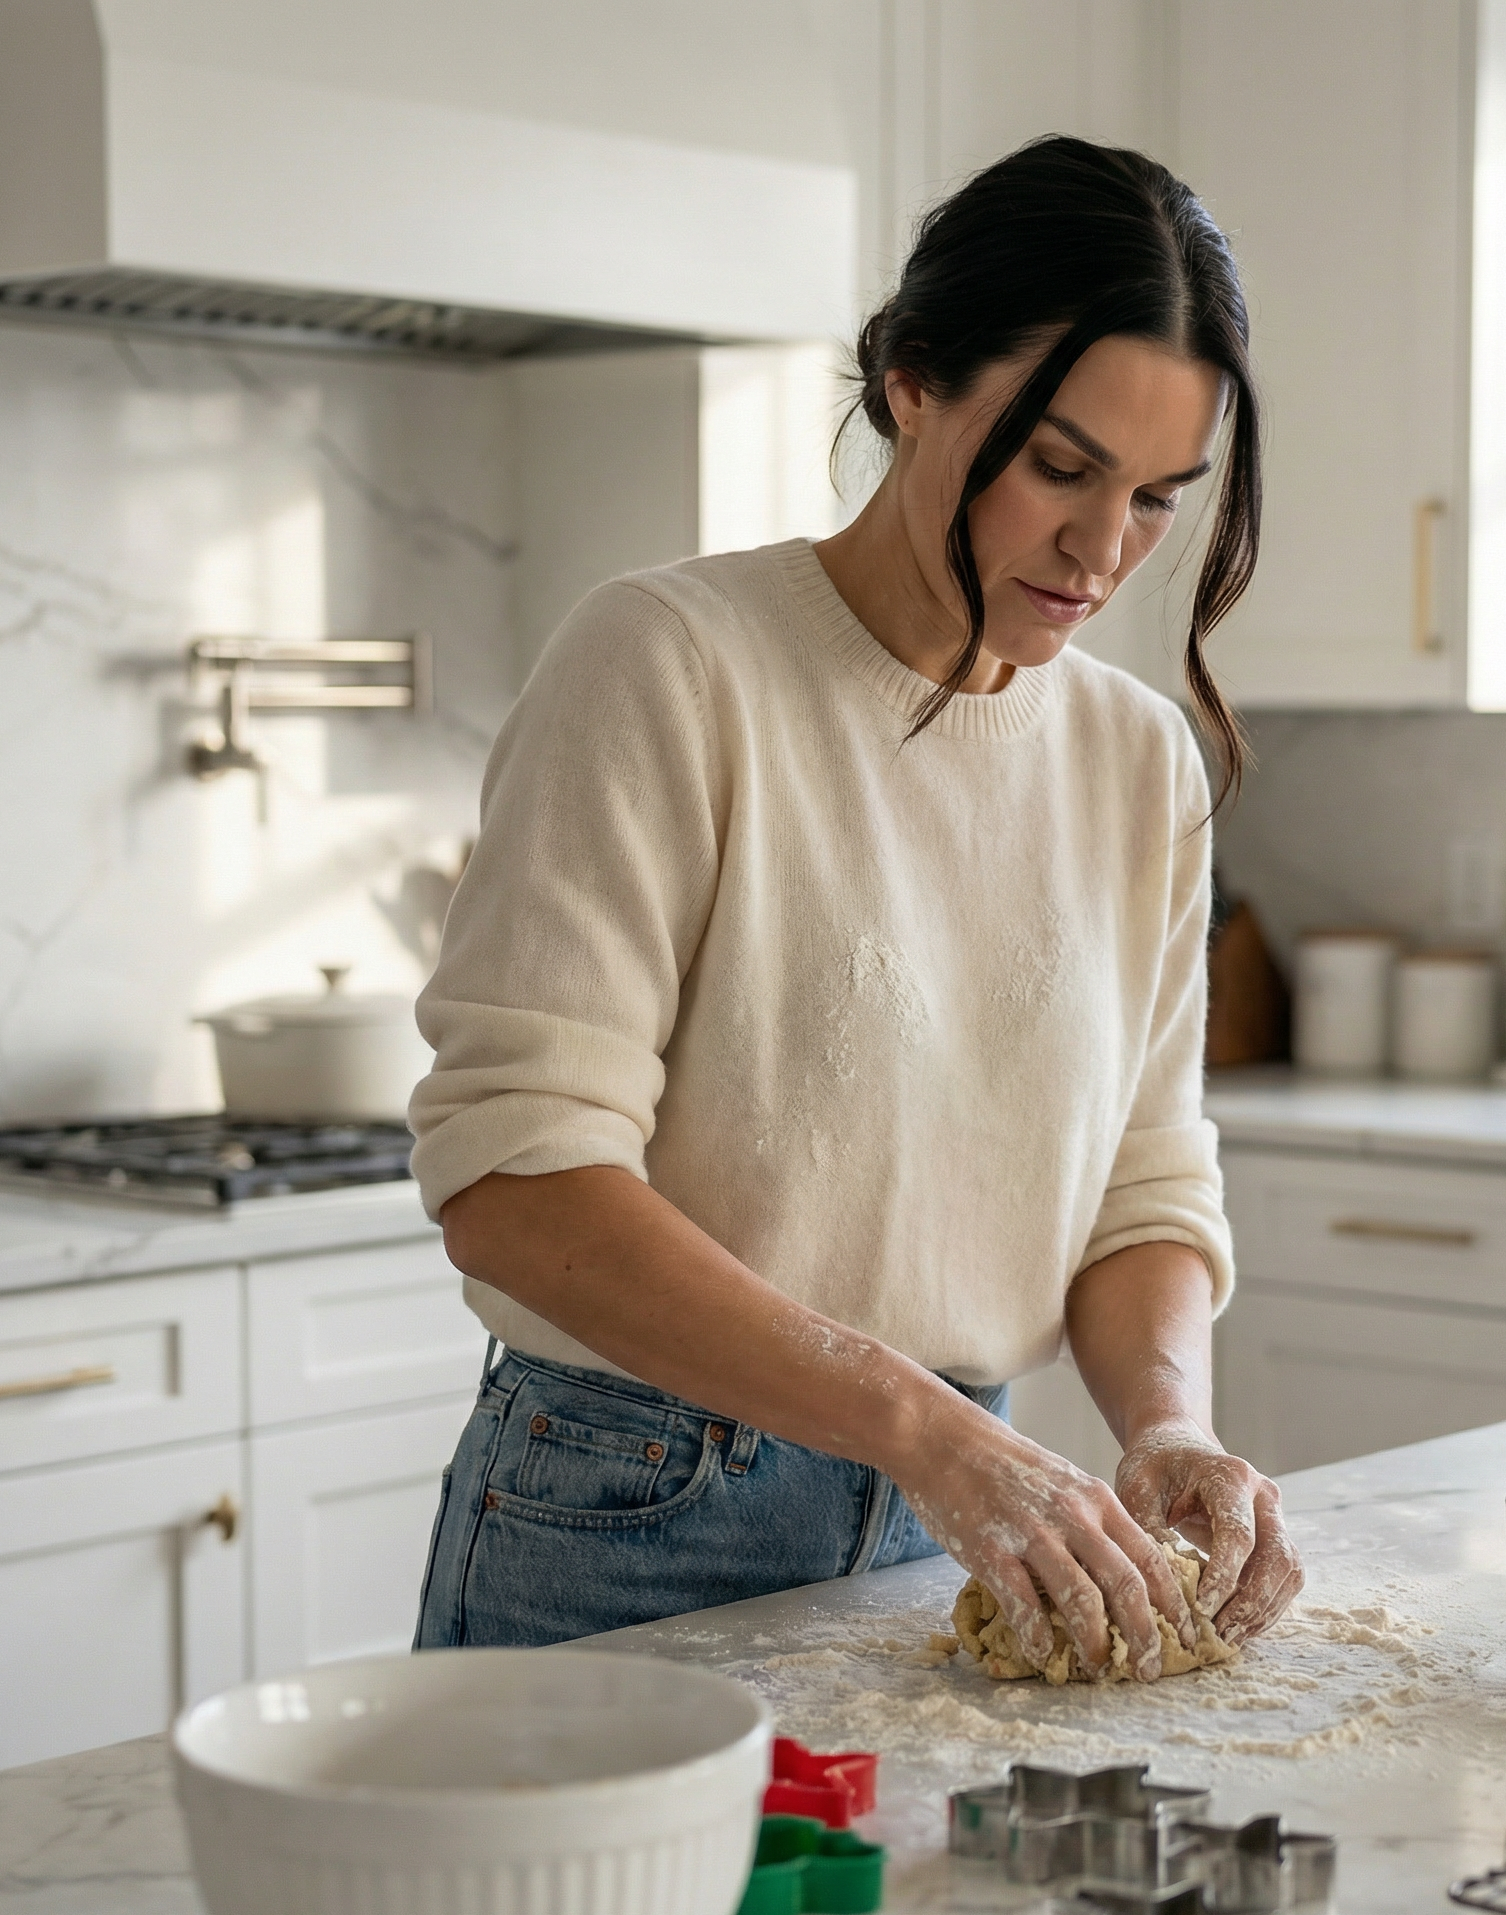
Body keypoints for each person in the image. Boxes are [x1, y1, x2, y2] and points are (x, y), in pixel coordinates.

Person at [411, 135, 1303, 1680]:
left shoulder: (1135, 758)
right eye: (1061, 467)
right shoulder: (669, 665)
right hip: (633, 1508)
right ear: (910, 379)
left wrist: (1166, 1423)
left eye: (1161, 496)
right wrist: (926, 1432)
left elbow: (1144, 1182)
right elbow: (517, 1181)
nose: (1105, 553)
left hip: (976, 1515)